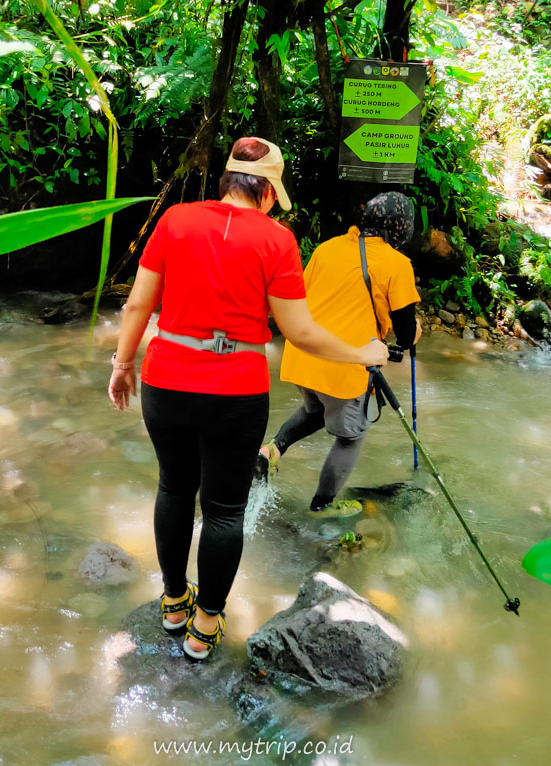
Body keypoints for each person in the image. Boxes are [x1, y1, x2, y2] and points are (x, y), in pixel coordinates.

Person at [107, 137, 388, 661]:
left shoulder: (175, 220)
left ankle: (173, 603)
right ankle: (205, 627)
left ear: (226, 182)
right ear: (266, 192)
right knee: (223, 511)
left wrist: (123, 365)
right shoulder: (277, 240)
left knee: (173, 487)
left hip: (165, 380)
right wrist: (362, 352)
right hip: (233, 391)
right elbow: (300, 333)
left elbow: (137, 306)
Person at [255, 192, 421, 517]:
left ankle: (270, 450)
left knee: (316, 410)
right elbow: (405, 333)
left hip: (303, 354)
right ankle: (323, 507)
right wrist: (415, 331)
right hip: (345, 367)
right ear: (401, 229)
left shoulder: (326, 248)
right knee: (350, 437)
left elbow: (300, 299)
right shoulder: (397, 264)